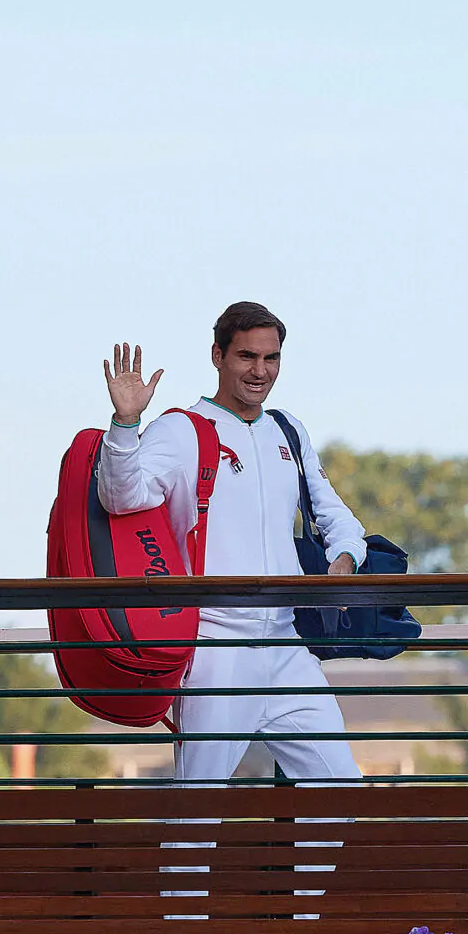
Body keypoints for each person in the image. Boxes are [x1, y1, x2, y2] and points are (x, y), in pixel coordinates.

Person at [97, 301, 369, 782]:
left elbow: (338, 519)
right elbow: (120, 497)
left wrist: (344, 559)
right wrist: (124, 424)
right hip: (216, 650)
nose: (260, 371)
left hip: (288, 648)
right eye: (246, 357)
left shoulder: (289, 430)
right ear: (217, 356)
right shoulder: (181, 429)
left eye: (272, 358)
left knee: (341, 792)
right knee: (196, 814)